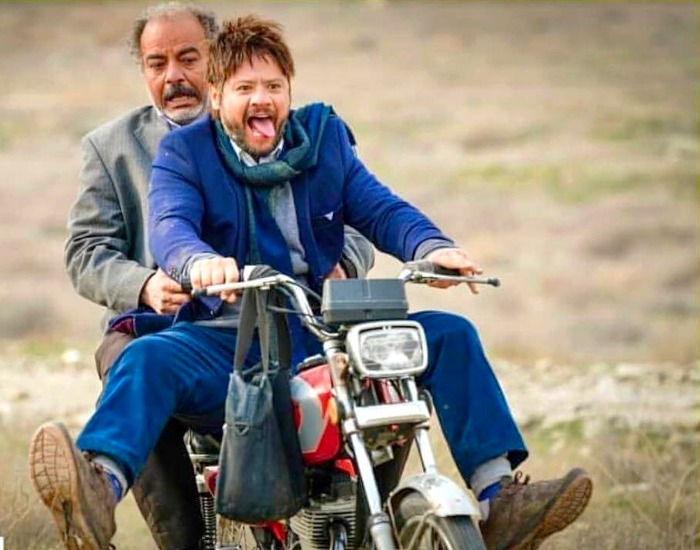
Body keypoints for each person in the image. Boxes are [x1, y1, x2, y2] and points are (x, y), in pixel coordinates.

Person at [30, 15, 592, 550]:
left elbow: (380, 209)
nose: (261, 100)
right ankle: (98, 488)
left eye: (273, 86)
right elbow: (170, 225)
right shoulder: (185, 151)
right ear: (217, 96)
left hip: (322, 330)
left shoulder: (322, 140)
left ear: (289, 92)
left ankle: (498, 498)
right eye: (245, 88)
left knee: (450, 335)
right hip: (232, 339)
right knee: (145, 358)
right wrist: (197, 261)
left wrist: (432, 247)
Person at [57, 3, 374, 549]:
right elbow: (86, 252)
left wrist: (341, 262)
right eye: (157, 63)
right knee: (133, 364)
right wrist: (142, 285)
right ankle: (158, 527)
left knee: (374, 376)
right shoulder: (111, 148)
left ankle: (371, 517)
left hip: (277, 312)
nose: (174, 76)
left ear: (218, 61)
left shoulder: (276, 131)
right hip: (155, 318)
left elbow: (355, 215)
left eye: (189, 58)